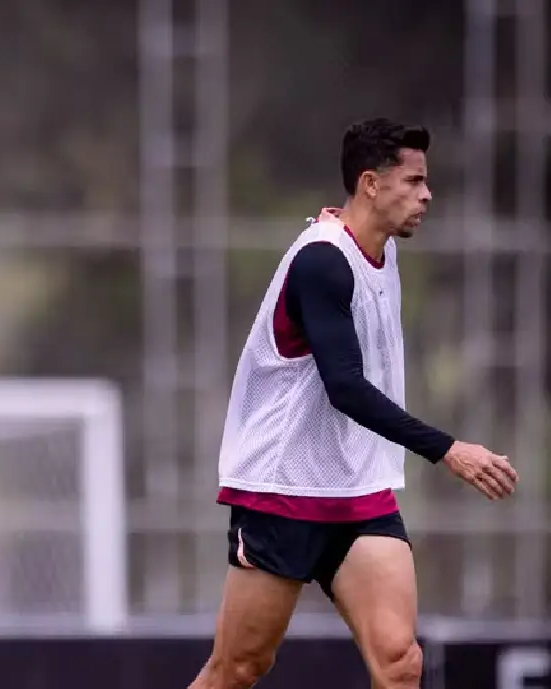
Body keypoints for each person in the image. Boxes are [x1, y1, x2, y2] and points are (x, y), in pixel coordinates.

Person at [188, 118, 520, 689]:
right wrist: (448, 451)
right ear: (370, 184)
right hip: (283, 490)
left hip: (358, 491)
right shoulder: (323, 261)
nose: (426, 195)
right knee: (239, 669)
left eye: (426, 182)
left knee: (401, 662)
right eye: (413, 182)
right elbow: (344, 387)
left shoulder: (379, 249)